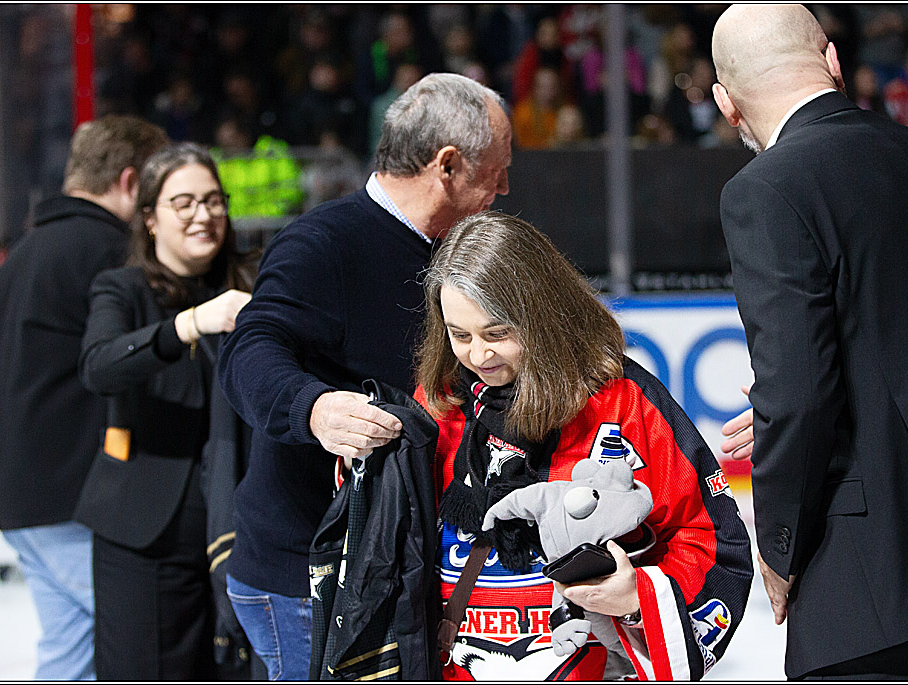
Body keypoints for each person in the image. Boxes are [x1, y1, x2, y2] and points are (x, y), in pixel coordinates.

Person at [711, 4, 908, 680]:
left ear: (726, 105)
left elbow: (800, 395)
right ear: (834, 60)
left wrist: (780, 548)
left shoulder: (764, 190)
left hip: (872, 594)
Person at [217, 72, 511, 680]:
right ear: (448, 165)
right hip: (309, 579)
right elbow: (249, 349)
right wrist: (315, 409)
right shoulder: (323, 243)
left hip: (394, 567)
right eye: (496, 169)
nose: (504, 188)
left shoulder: (461, 250)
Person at [414, 211, 753, 680]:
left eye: (497, 333)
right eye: (459, 335)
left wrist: (638, 600)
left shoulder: (623, 403)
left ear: (542, 316)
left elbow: (713, 540)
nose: (478, 354)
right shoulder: (438, 403)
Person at [0, 114, 168, 681]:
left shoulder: (17, 257)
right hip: (84, 494)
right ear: (130, 180)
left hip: (22, 495)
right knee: (147, 644)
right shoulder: (109, 253)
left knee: (69, 655)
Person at [74, 142, 254, 680]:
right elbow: (99, 366)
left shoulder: (251, 282)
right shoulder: (122, 289)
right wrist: (189, 324)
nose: (204, 215)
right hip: (145, 530)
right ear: (150, 218)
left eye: (214, 201)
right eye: (185, 203)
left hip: (236, 527)